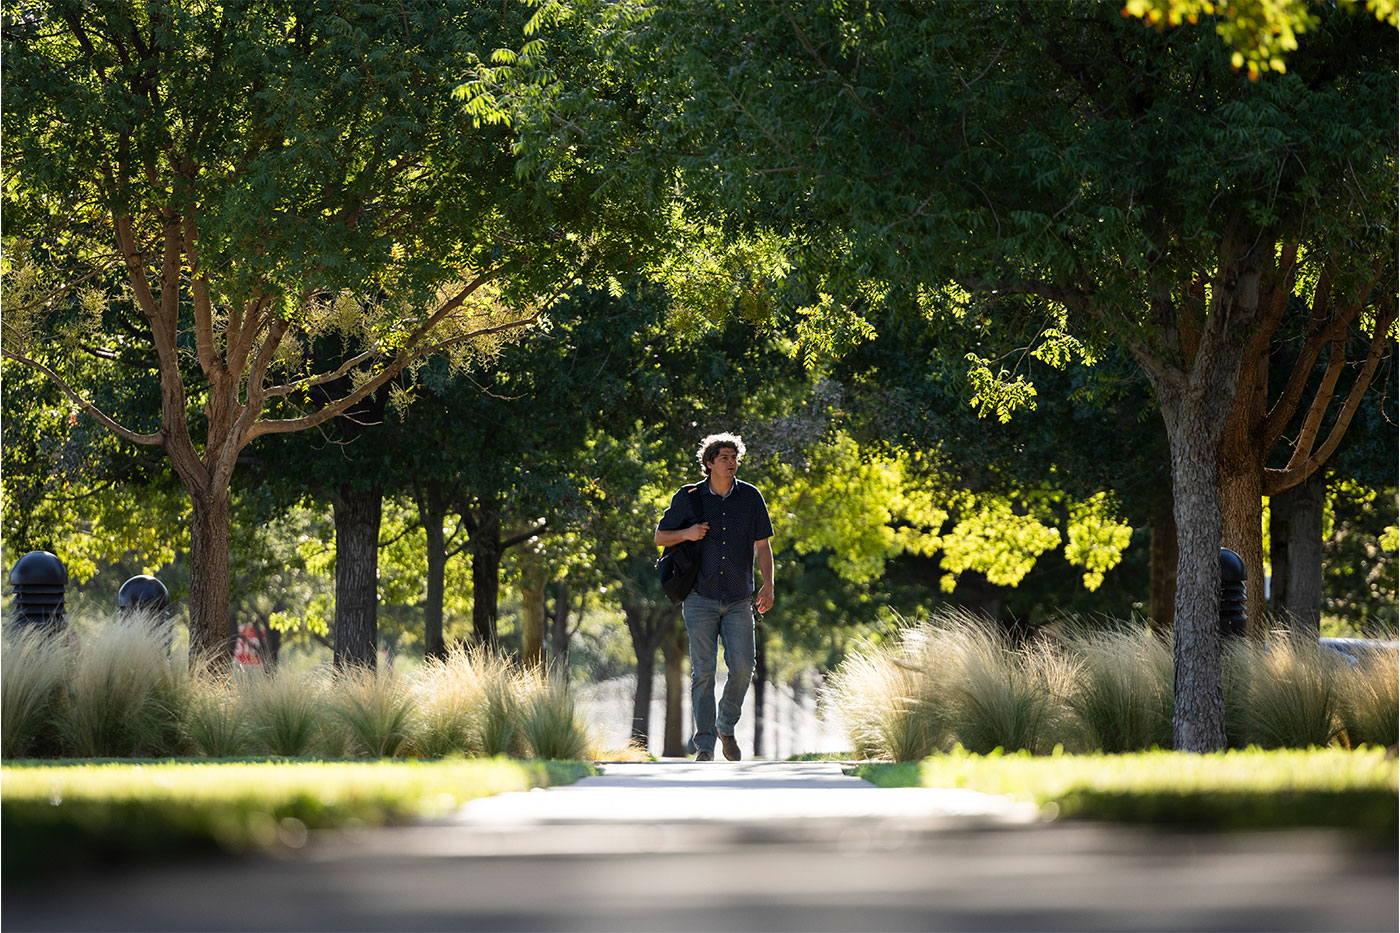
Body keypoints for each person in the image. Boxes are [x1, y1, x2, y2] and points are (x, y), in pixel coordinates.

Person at [654, 432, 774, 761]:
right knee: (702, 672)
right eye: (724, 458)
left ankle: (725, 725)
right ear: (709, 463)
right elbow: (660, 537)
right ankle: (705, 745)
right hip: (699, 597)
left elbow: (763, 545)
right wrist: (687, 534)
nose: (731, 463)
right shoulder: (689, 497)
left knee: (743, 667)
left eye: (734, 458)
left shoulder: (751, 498)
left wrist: (768, 584)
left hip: (738, 598)